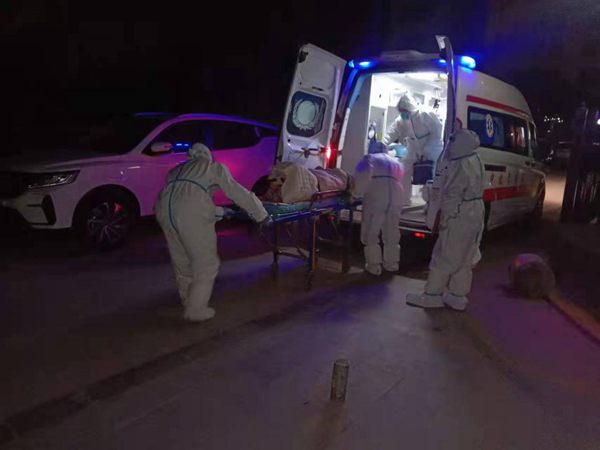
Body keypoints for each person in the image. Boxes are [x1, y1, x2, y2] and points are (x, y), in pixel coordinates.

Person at [155, 143, 270, 322]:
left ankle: (187, 298)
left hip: (163, 210)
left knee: (181, 259)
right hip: (190, 212)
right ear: (208, 155)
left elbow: (185, 197)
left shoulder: (177, 170)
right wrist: (261, 214)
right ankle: (196, 309)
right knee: (206, 263)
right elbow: (236, 192)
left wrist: (220, 212)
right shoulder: (213, 167)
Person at [406, 128, 485, 311]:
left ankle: (432, 295)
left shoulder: (460, 164)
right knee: (465, 258)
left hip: (459, 214)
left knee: (444, 255)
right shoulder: (476, 159)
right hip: (475, 213)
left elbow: (453, 194)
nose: (449, 146)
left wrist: (445, 219)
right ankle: (457, 296)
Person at [353, 141, 405, 276]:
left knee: (371, 229)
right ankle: (392, 264)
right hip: (396, 192)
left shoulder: (368, 158)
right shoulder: (396, 162)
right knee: (392, 230)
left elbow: (362, 174)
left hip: (377, 192)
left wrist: (355, 194)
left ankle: (374, 266)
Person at [382, 94, 443, 205]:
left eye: (404, 111)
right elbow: (393, 131)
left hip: (432, 147)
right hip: (413, 148)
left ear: (410, 108)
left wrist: (427, 151)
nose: (402, 114)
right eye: (401, 111)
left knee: (431, 176)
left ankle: (432, 203)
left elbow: (437, 131)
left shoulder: (425, 114)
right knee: (403, 170)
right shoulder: (402, 120)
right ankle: (404, 199)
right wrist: (382, 143)